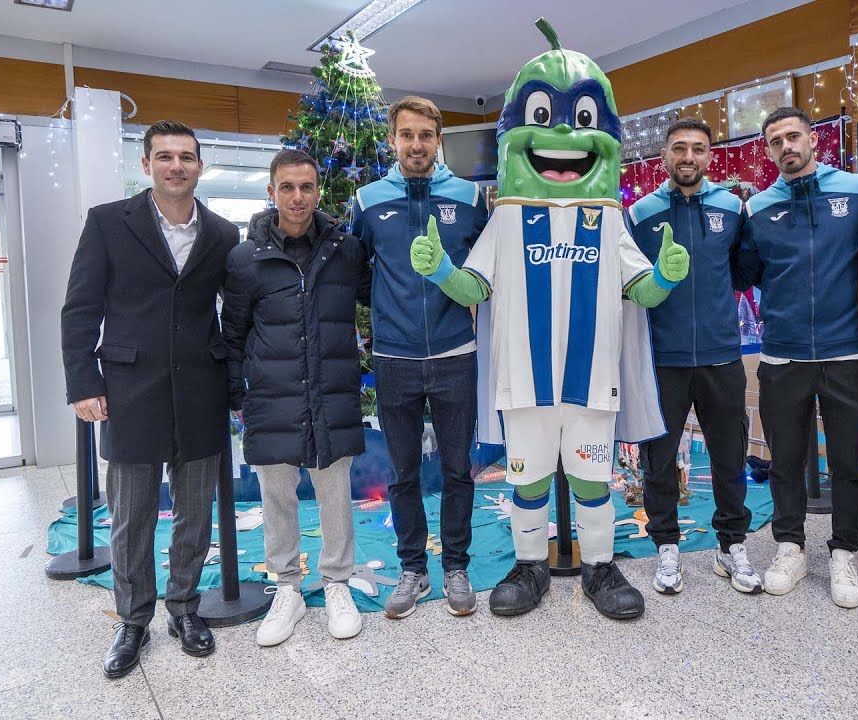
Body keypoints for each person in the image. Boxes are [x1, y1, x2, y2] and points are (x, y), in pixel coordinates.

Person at [411, 18, 688, 620]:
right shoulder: (507, 218)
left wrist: (664, 274)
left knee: (593, 485)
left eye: (584, 121)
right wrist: (439, 272)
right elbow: (473, 286)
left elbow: (640, 291)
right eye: (543, 118)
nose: (564, 135)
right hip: (525, 384)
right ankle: (530, 566)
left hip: (591, 382)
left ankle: (598, 569)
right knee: (528, 484)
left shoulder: (608, 220)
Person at [61, 120, 237, 678]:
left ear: (200, 166)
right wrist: (82, 382)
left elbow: (234, 317)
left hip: (201, 392)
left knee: (194, 514)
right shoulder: (110, 223)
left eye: (186, 156)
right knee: (132, 516)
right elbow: (80, 308)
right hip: (129, 391)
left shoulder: (223, 234)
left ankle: (184, 608)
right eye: (165, 156)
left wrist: (234, 388)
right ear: (146, 165)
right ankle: (133, 620)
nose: (176, 166)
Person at [221, 149, 371, 646]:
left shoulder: (345, 251)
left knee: (334, 496)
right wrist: (236, 395)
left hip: (331, 393)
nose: (297, 197)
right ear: (271, 192)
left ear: (318, 191)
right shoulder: (245, 261)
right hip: (273, 397)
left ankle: (337, 583)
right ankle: (286, 586)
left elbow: (376, 299)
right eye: (287, 187)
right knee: (277, 496)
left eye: (306, 187)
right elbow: (233, 333)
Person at [351, 96, 488, 620]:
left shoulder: (470, 198)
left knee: (458, 470)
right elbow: (360, 273)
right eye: (406, 135)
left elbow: (485, 269)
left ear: (438, 140)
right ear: (393, 140)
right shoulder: (368, 201)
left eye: (425, 135)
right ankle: (412, 568)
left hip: (457, 354)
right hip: (394, 358)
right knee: (403, 472)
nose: (416, 145)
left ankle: (455, 565)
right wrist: (391, 308)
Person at [732, 106, 858, 606]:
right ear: (768, 151)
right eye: (775, 141)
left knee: (848, 461)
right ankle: (790, 546)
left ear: (812, 139)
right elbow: (742, 272)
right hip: (782, 356)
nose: (786, 147)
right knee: (786, 460)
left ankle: (844, 554)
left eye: (793, 136)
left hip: (848, 351)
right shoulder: (756, 209)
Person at [628, 118, 761, 595]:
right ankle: (666, 546)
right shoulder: (641, 213)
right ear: (664, 155)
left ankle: (731, 546)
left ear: (710, 156)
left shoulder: (732, 208)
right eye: (679, 148)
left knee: (729, 456)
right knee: (659, 460)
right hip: (662, 358)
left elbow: (744, 273)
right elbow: (630, 285)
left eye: (698, 149)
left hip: (721, 356)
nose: (689, 157)